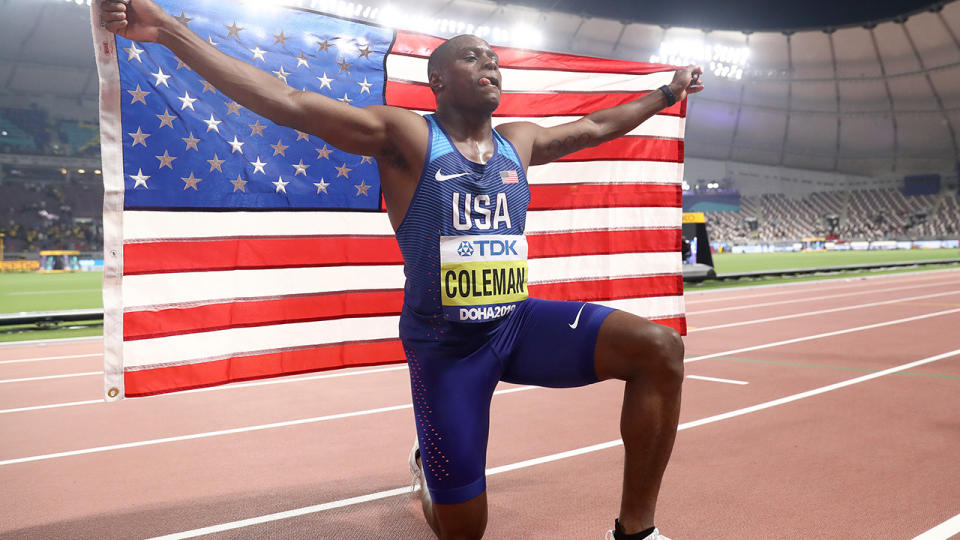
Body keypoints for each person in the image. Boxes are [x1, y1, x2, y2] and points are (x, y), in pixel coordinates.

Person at [99, 2, 704, 538]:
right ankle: (428, 477)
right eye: (473, 58)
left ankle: (634, 532)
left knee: (659, 349)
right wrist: (172, 31)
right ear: (437, 80)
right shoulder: (406, 135)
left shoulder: (520, 141)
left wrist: (667, 93)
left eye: (494, 57)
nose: (490, 63)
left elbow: (597, 127)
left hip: (513, 324)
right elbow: (288, 104)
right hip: (446, 348)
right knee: (464, 532)